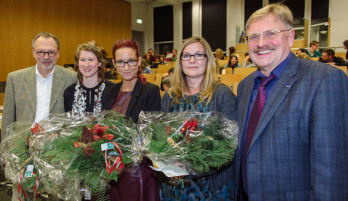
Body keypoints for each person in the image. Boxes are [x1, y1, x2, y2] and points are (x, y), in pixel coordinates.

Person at [237, 3, 348, 201]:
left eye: (270, 33)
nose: (261, 43)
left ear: (290, 37)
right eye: (253, 36)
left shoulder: (324, 79)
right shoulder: (245, 85)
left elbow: (331, 171)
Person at [1, 32, 77, 201]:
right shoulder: (15, 78)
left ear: (58, 53)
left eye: (51, 52)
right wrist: (7, 155)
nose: (46, 57)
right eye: (41, 52)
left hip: (57, 150)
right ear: (33, 53)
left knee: (58, 196)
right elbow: (8, 119)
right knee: (21, 195)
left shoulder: (71, 77)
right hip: (23, 150)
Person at [161, 36, 237, 200]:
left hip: (211, 188)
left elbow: (230, 148)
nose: (192, 60)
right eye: (186, 55)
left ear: (207, 59)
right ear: (180, 61)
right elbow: (162, 138)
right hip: (174, 186)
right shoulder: (170, 96)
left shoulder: (222, 94)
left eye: (198, 55)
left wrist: (190, 166)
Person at [107, 38, 161, 201]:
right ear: (114, 63)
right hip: (111, 169)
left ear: (138, 61)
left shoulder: (149, 91)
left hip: (138, 172)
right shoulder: (110, 91)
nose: (126, 67)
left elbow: (153, 134)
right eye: (121, 62)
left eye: (131, 61)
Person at [63, 42, 113, 116]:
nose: (86, 65)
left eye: (91, 60)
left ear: (100, 63)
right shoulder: (69, 92)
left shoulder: (112, 90)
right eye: (82, 60)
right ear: (78, 63)